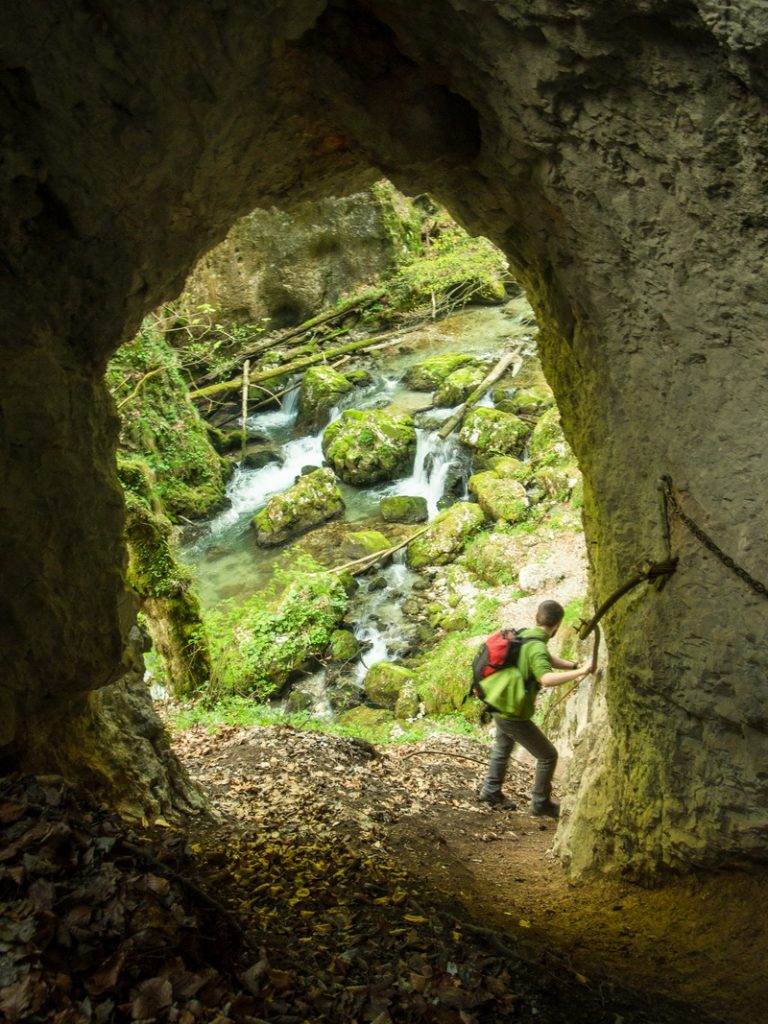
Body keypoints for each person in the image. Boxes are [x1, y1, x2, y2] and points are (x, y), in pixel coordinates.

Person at [477, 599, 595, 818]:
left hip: (501, 701)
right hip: (513, 712)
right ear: (558, 624)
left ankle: (491, 790)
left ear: (536, 617)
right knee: (548, 755)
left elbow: (547, 660)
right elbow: (546, 678)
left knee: (503, 747)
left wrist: (576, 666)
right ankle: (540, 803)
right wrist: (580, 673)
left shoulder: (526, 635)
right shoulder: (537, 645)